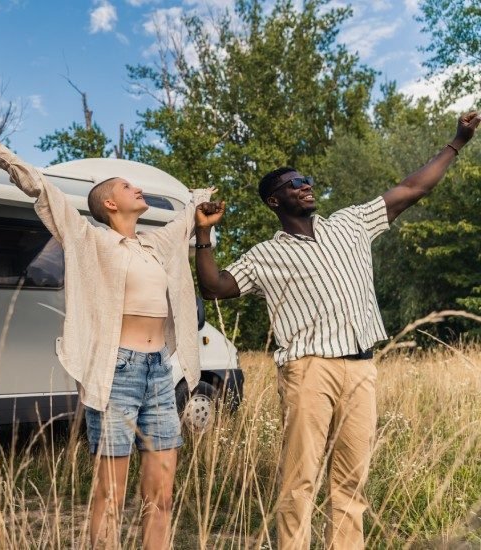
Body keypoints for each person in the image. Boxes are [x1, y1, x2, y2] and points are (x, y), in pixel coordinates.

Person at [193, 111, 480, 549]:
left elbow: (413, 188)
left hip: (361, 370)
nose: (304, 184)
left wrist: (457, 142)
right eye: (293, 183)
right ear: (274, 201)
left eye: (305, 179)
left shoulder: (351, 224)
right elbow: (214, 286)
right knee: (300, 481)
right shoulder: (266, 255)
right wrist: (203, 236)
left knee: (351, 483)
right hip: (307, 371)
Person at [0, 125, 211, 548]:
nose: (138, 188)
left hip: (160, 375)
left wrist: (201, 207)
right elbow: (42, 191)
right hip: (116, 374)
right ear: (109, 203)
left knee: (160, 497)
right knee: (110, 496)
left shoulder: (155, 244)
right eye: (128, 186)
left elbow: (187, 220)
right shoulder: (89, 239)